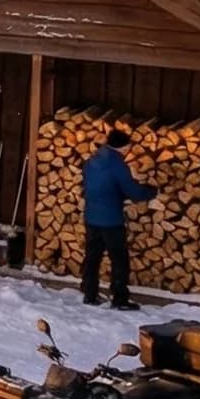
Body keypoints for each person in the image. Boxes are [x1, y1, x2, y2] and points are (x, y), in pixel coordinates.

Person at [79, 128, 157, 311]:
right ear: (121, 147)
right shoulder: (117, 165)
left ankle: (89, 293)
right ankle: (119, 298)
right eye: (127, 148)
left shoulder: (92, 161)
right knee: (119, 258)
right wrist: (151, 192)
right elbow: (133, 191)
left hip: (91, 216)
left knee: (92, 256)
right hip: (111, 219)